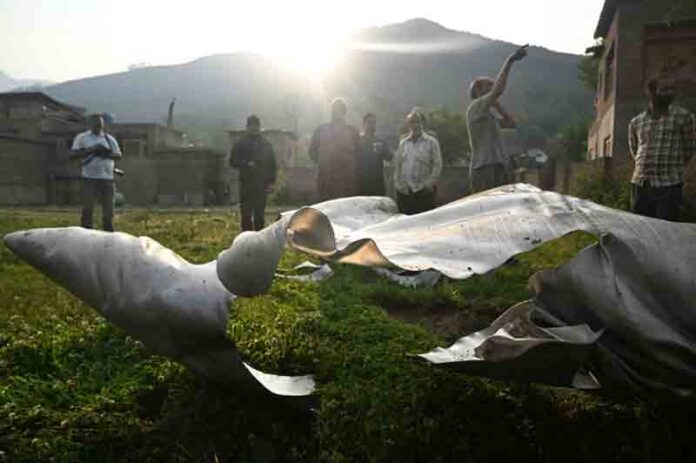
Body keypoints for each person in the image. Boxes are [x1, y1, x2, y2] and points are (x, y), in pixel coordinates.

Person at [628, 78, 696, 221]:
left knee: (666, 230)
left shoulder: (684, 117)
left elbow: (689, 149)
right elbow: (635, 150)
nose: (670, 93)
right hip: (640, 184)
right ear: (651, 92)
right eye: (664, 89)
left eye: (672, 89)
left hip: (669, 185)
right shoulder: (636, 122)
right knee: (640, 226)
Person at [466, 44, 528, 193]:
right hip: (484, 168)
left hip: (498, 167)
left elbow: (511, 123)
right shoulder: (475, 109)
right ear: (478, 91)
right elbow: (498, 90)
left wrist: (498, 107)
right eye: (489, 85)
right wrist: (510, 61)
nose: (493, 86)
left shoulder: (488, 115)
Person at [70, 114, 122, 231]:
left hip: (107, 179)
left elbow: (118, 155)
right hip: (89, 178)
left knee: (108, 211)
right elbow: (73, 154)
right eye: (96, 123)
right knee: (88, 210)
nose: (99, 126)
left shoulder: (109, 139)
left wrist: (105, 153)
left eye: (100, 124)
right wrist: (92, 150)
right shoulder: (82, 138)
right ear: (90, 124)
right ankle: (86, 235)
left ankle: (109, 235)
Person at [229, 115, 277, 231]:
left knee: (259, 216)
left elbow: (272, 165)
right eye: (251, 126)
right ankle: (246, 241)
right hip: (246, 185)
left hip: (261, 185)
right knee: (246, 216)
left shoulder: (266, 145)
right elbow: (232, 162)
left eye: (256, 126)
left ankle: (258, 242)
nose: (254, 129)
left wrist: (271, 182)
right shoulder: (240, 144)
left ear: (259, 127)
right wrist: (246, 164)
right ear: (247, 127)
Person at [309, 98, 361, 200]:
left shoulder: (352, 132)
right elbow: (312, 152)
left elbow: (359, 155)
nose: (335, 112)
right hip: (326, 179)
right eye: (333, 109)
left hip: (347, 181)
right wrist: (323, 161)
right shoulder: (321, 130)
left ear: (344, 112)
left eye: (338, 109)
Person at [393, 111, 442, 214]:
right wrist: (398, 185)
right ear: (408, 124)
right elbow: (398, 165)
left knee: (425, 224)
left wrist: (429, 185)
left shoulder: (431, 142)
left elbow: (437, 165)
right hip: (405, 192)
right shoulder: (403, 143)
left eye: (417, 122)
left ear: (422, 123)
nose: (415, 125)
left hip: (423, 191)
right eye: (412, 122)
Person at [358, 113, 392, 196]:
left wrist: (384, 150)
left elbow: (389, 157)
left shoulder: (381, 140)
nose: (372, 125)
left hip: (378, 184)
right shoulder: (357, 140)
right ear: (363, 124)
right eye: (369, 122)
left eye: (373, 123)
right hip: (361, 183)